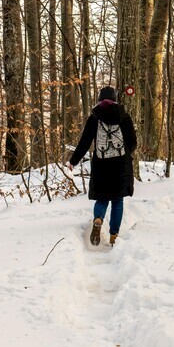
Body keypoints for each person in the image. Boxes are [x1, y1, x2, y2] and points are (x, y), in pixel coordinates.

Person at [67, 86, 137, 246]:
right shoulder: (124, 116)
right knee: (118, 201)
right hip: (120, 164)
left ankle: (98, 219)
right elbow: (132, 142)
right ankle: (114, 236)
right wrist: (126, 153)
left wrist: (73, 160)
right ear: (115, 100)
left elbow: (84, 142)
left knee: (102, 198)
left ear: (100, 100)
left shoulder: (94, 118)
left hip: (101, 164)